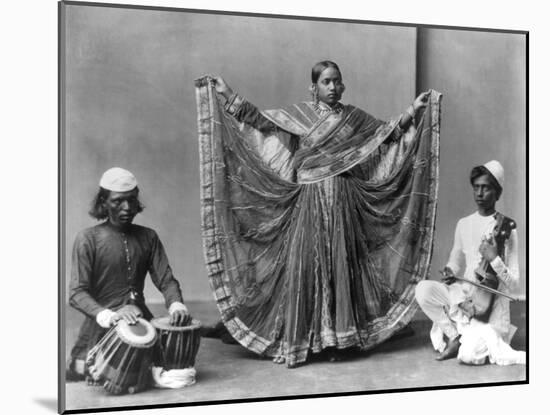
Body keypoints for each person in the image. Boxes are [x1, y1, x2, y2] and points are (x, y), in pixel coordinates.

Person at [195, 60, 441, 367]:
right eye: (326, 82)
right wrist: (229, 96)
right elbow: (261, 122)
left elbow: (385, 134)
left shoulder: (352, 118)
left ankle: (339, 339)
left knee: (342, 264)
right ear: (313, 88)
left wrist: (412, 110)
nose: (333, 87)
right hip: (310, 200)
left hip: (344, 201)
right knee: (307, 265)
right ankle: (307, 338)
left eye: (337, 81)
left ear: (343, 85)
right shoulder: (300, 116)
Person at [66, 167, 191, 382]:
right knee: (95, 372)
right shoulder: (87, 239)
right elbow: (76, 293)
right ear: (103, 201)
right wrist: (111, 316)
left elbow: (166, 279)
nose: (127, 208)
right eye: (117, 201)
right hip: (101, 327)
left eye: (132, 200)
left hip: (140, 320)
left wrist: (176, 305)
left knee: (173, 369)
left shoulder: (148, 237)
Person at [415, 160, 525, 365]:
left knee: (469, 355)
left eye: (486, 188)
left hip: (489, 308)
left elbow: (514, 283)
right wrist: (449, 270)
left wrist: (494, 259)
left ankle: (468, 338)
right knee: (422, 289)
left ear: (497, 193)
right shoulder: (463, 224)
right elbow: (455, 261)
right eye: (476, 187)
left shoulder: (508, 230)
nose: (480, 193)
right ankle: (455, 336)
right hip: (464, 298)